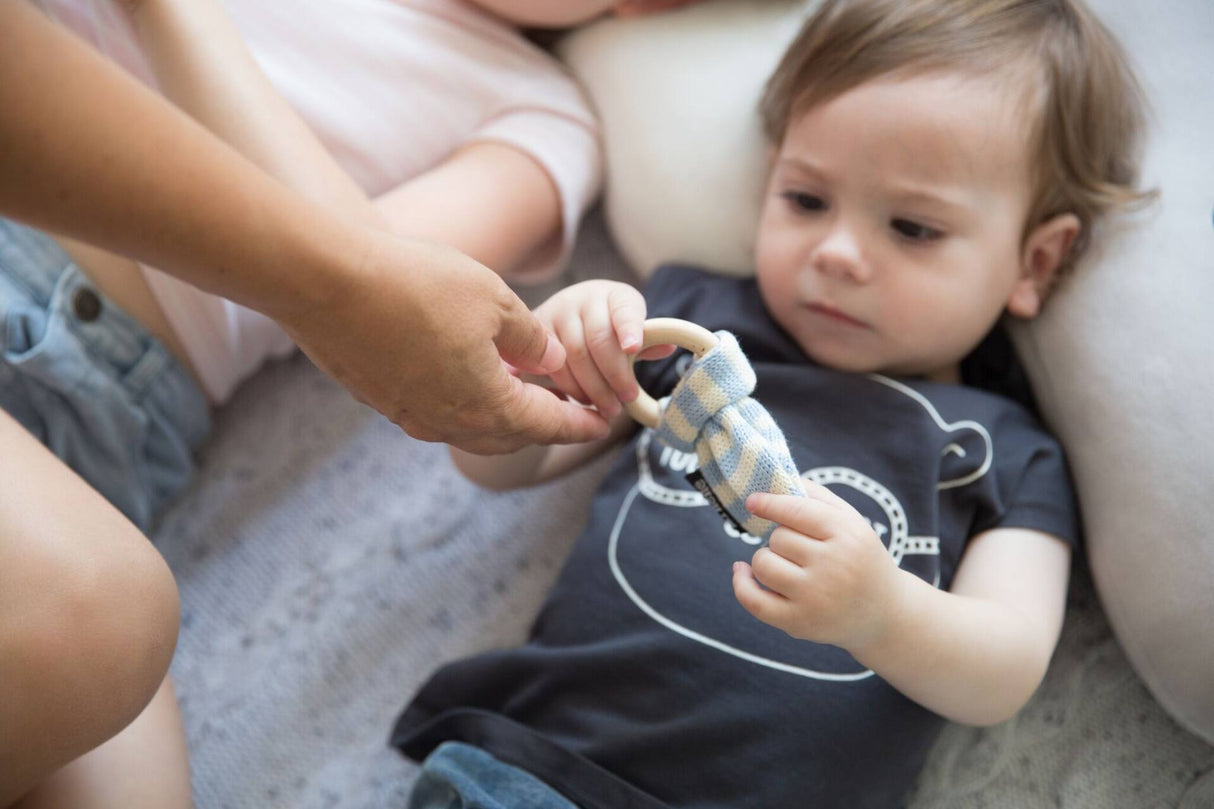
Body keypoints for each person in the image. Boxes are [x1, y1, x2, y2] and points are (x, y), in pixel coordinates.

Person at [390, 1, 1154, 806]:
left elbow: (1006, 669)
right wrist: (545, 367)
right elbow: (500, 465)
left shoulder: (1007, 451)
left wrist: (881, 610)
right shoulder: (689, 332)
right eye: (806, 199)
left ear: (1034, 261)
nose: (837, 253)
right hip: (540, 770)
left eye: (913, 227)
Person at [0, 0, 635, 805]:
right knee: (101, 622)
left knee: (127, 752)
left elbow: (380, 299)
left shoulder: (540, 114)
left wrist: (177, 16)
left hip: (101, 415)